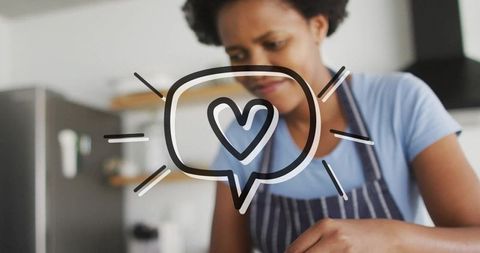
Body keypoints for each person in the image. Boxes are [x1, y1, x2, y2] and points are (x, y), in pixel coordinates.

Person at [182, 0, 480, 252]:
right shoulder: (242, 136)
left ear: (318, 27)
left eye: (274, 43)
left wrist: (392, 237)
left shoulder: (399, 101)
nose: (256, 68)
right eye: (238, 55)